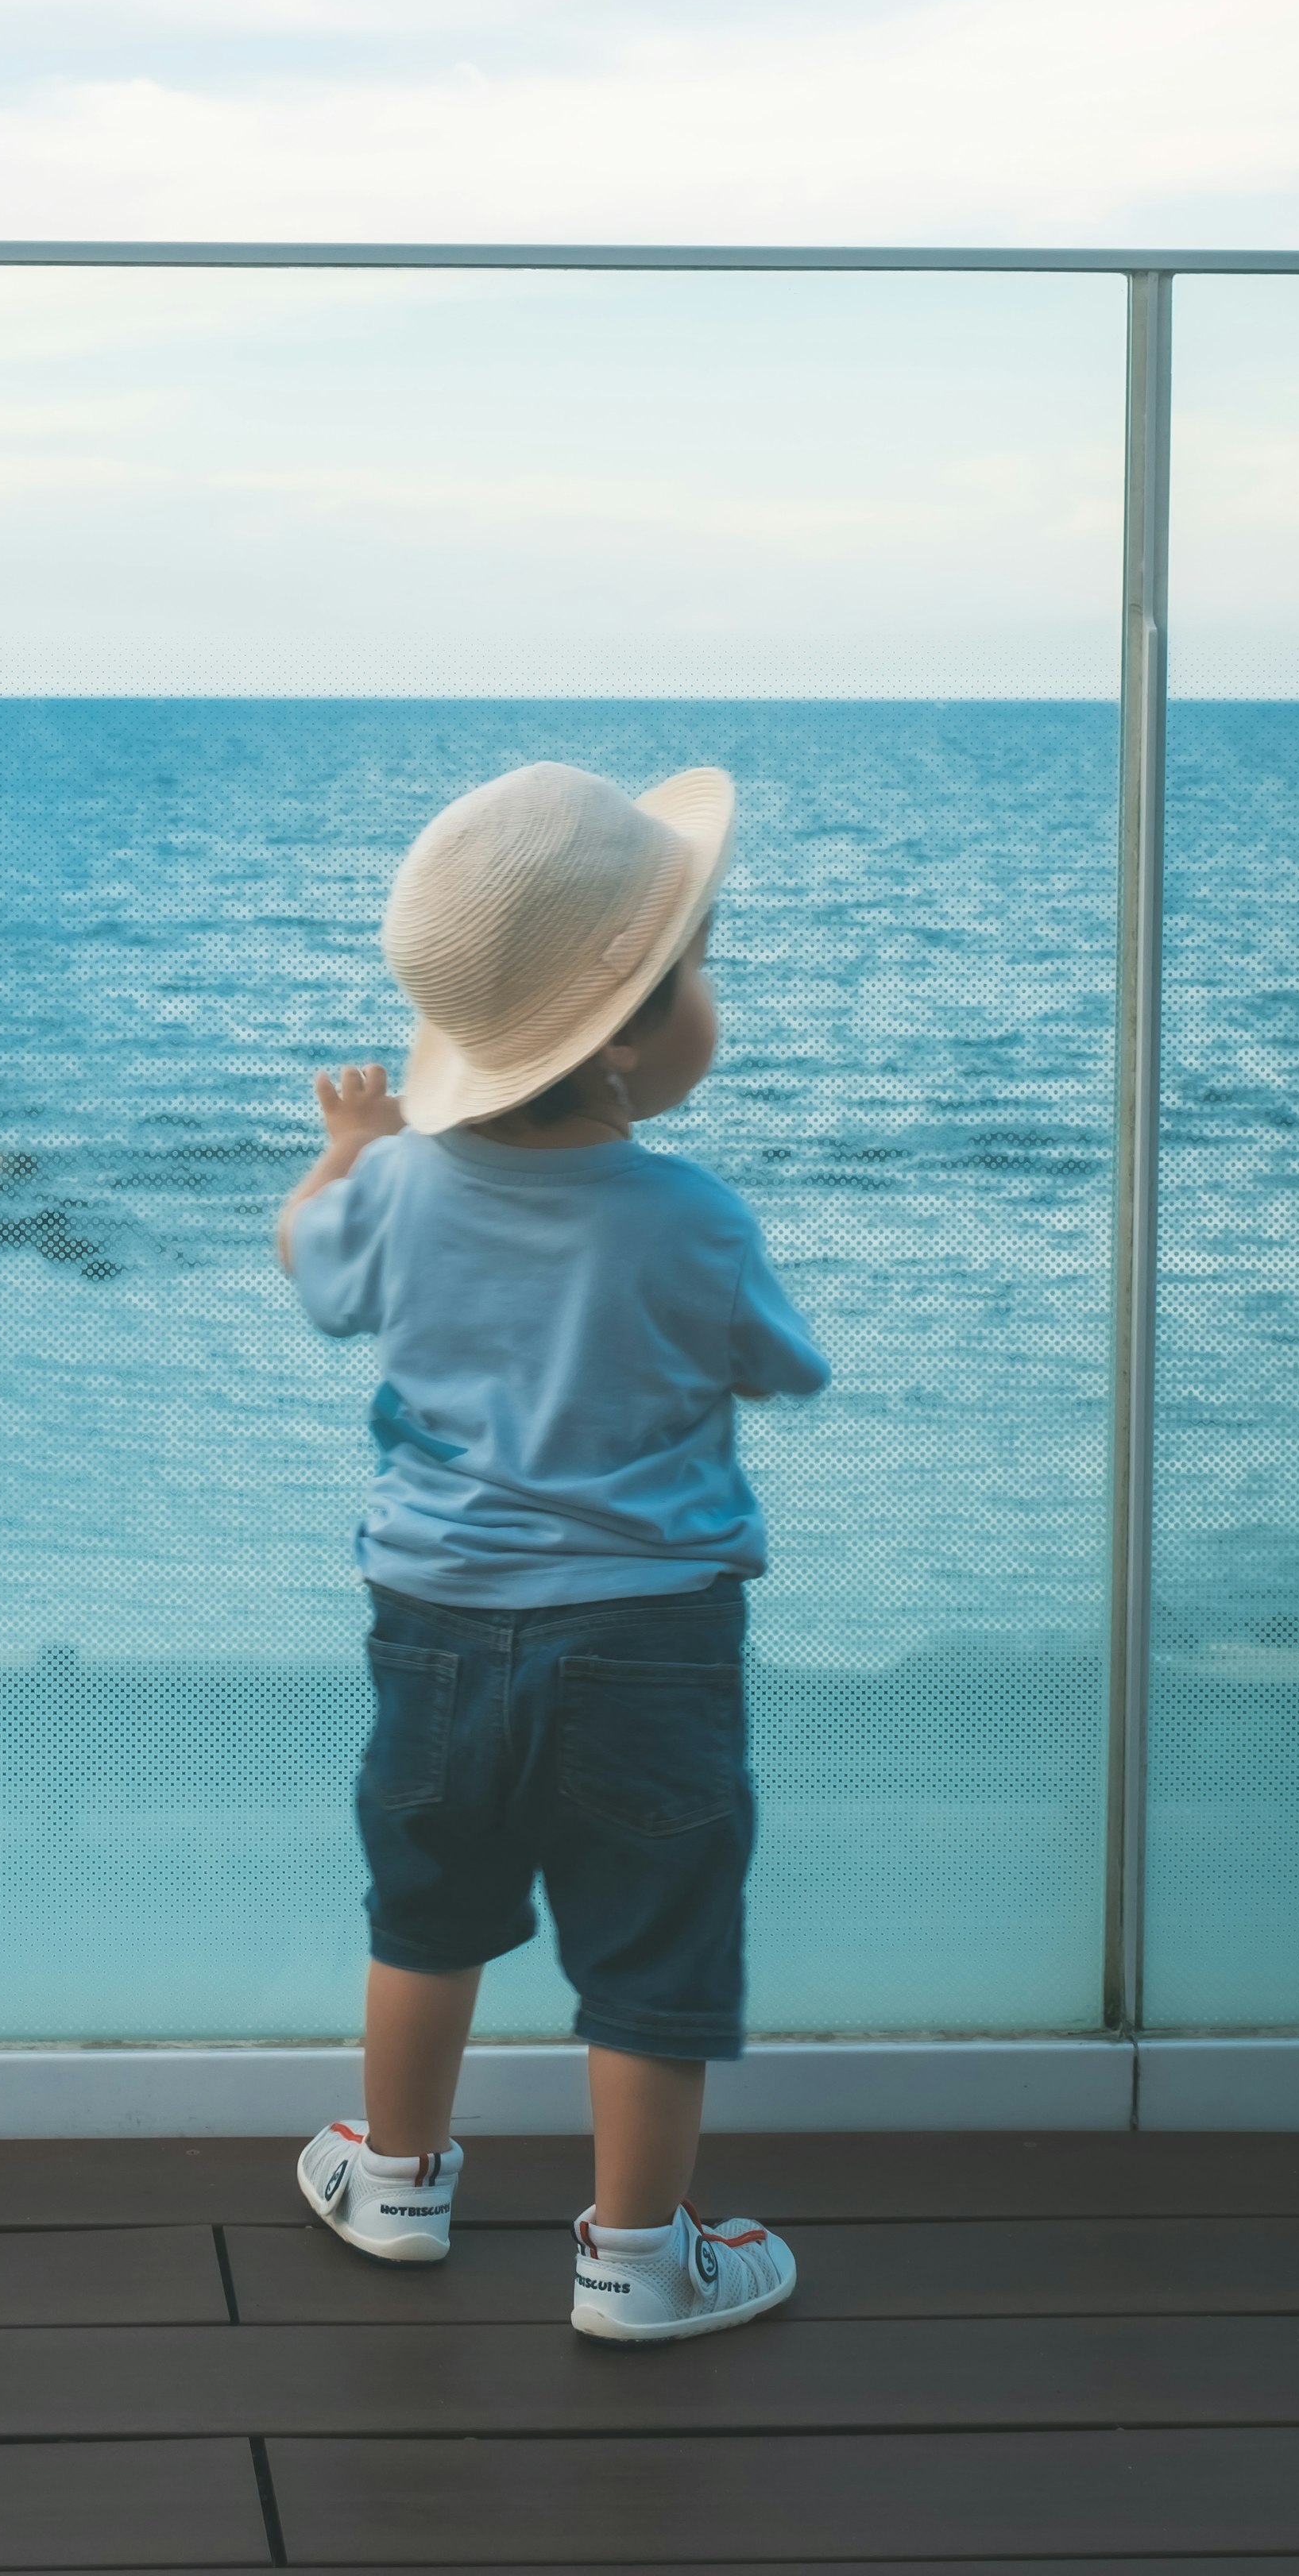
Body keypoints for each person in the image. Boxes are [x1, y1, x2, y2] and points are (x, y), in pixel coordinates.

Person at [274, 759, 829, 2342]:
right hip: (652, 1637)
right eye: (701, 968)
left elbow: (317, 1275)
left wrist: (345, 1149)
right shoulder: (695, 1218)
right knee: (654, 1938)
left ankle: (396, 2180)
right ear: (635, 1036)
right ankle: (642, 2260)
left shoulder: (396, 1188)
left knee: (427, 1906)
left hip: (434, 1620)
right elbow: (782, 1362)